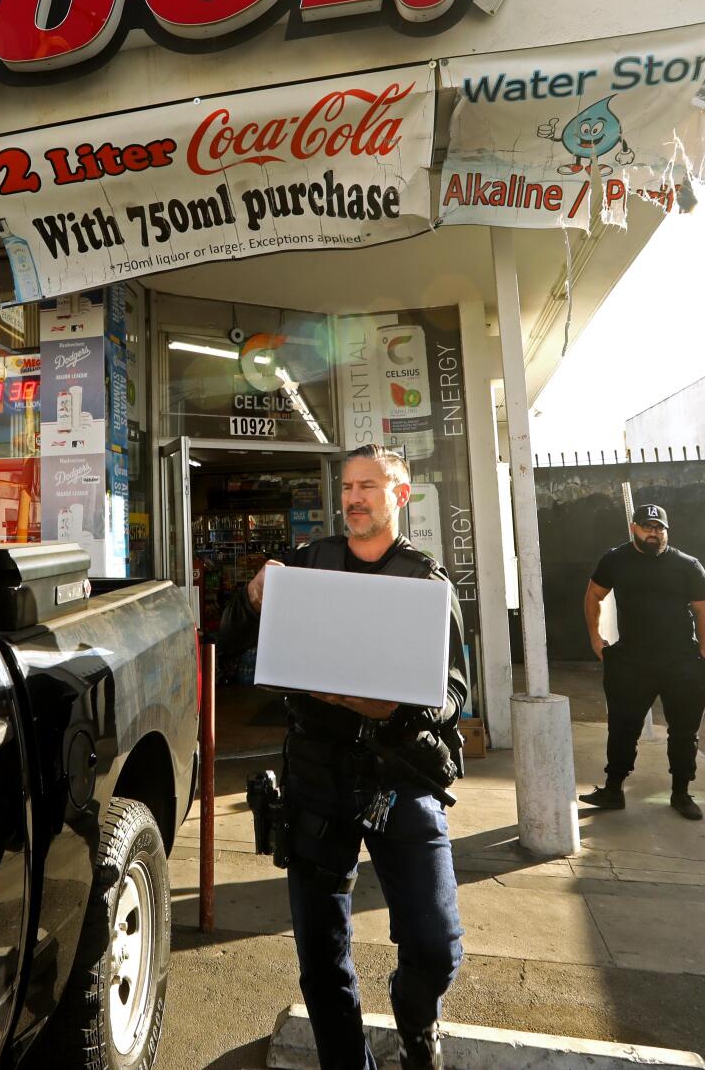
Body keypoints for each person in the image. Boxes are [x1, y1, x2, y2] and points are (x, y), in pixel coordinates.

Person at [239, 444, 467, 1070]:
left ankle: (417, 1022)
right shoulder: (308, 567)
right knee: (321, 953)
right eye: (347, 487)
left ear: (400, 494)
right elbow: (232, 636)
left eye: (369, 485)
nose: (354, 498)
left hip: (400, 778)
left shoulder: (425, 582)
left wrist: (393, 710)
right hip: (316, 777)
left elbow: (454, 693)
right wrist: (255, 597)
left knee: (437, 942)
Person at [579, 503, 705, 820]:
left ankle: (681, 794)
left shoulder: (687, 565)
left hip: (681, 661)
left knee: (684, 734)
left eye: (659, 528)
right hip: (631, 660)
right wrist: (595, 637)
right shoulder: (615, 560)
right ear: (634, 528)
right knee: (622, 728)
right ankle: (613, 790)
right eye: (647, 527)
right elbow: (594, 595)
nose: (654, 532)